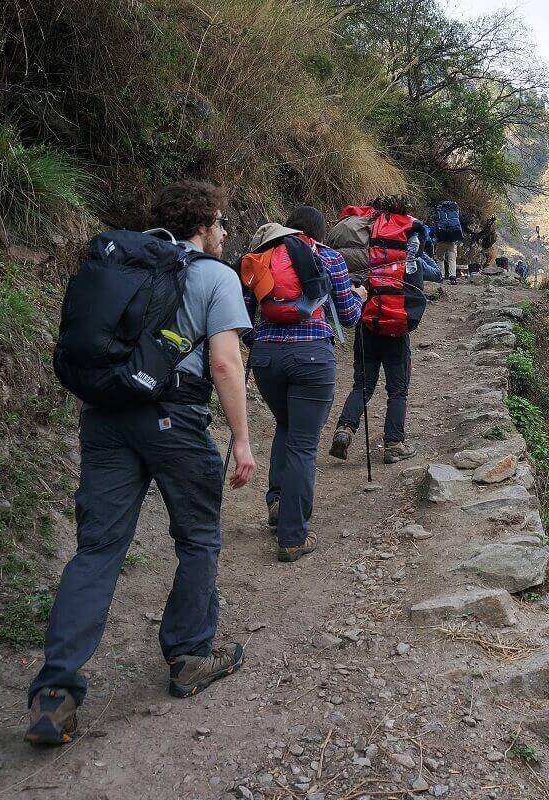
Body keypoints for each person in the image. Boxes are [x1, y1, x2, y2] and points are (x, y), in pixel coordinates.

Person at [27, 181, 255, 746]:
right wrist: (244, 440)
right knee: (198, 538)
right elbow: (225, 366)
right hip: (174, 418)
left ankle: (55, 693)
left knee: (98, 549)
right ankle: (189, 657)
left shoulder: (125, 263)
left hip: (105, 414)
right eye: (221, 224)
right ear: (203, 226)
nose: (224, 234)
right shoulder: (213, 275)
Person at [241, 207, 364, 563]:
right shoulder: (328, 258)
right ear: (319, 234)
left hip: (265, 357)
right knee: (303, 444)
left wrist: (261, 343)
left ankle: (278, 502)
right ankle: (293, 537)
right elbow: (349, 316)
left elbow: (242, 315)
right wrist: (359, 295)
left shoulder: (260, 254)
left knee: (286, 425)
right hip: (312, 357)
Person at [328, 196, 424, 465]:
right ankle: (394, 443)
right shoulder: (409, 234)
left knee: (363, 385)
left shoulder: (362, 231)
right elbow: (417, 276)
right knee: (397, 389)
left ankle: (345, 429)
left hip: (367, 319)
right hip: (395, 322)